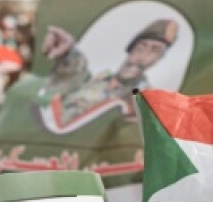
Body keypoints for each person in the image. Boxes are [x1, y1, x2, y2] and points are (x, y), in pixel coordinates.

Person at [37, 19, 178, 131]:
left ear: (160, 58)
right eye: (141, 47)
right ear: (131, 48)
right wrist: (68, 52)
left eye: (154, 51)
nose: (143, 56)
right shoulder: (97, 80)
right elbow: (73, 72)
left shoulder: (143, 103)